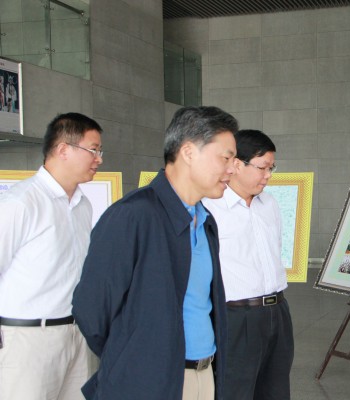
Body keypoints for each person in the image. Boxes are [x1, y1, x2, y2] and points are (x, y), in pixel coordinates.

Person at [72, 106, 238, 400]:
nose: (232, 169)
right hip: (147, 383)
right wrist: (134, 359)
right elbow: (92, 309)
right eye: (225, 158)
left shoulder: (205, 221)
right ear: (188, 152)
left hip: (204, 375)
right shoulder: (133, 215)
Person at [0, 112, 103, 400]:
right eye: (93, 150)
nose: (99, 159)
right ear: (63, 149)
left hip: (76, 335)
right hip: (27, 339)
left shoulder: (83, 205)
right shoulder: (20, 202)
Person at [203, 129, 294, 400]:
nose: (268, 175)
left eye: (271, 168)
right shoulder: (211, 207)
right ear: (236, 164)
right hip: (237, 316)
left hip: (277, 311)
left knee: (276, 390)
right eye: (262, 167)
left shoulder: (270, 203)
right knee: (236, 391)